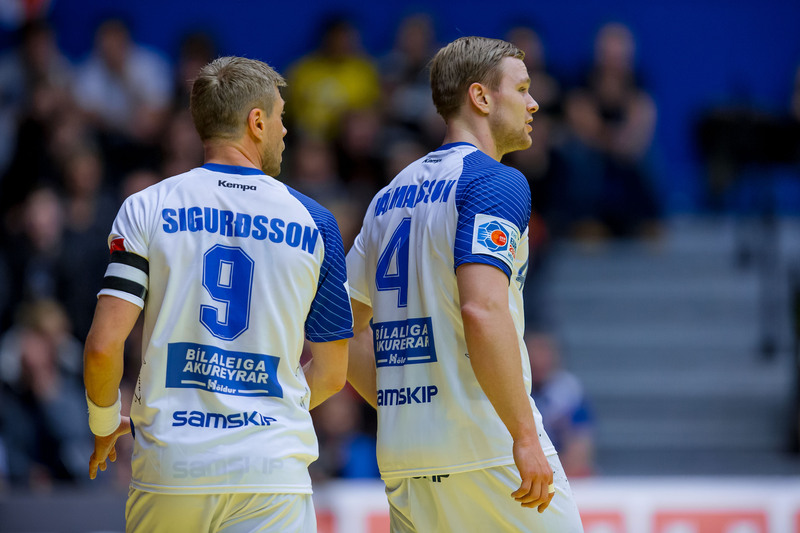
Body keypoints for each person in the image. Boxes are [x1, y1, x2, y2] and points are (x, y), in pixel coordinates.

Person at [83, 56, 353, 533]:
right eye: (281, 117)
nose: (285, 131)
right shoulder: (316, 222)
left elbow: (104, 346)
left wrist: (105, 425)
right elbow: (332, 374)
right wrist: (264, 409)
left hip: (171, 466)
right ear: (257, 122)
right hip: (271, 472)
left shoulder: (146, 207)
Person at [345, 36, 584, 532]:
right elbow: (482, 309)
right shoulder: (495, 182)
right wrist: (524, 435)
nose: (534, 103)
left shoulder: (388, 196)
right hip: (486, 446)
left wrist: (400, 405)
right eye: (522, 88)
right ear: (480, 97)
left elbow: (342, 328)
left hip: (406, 454)